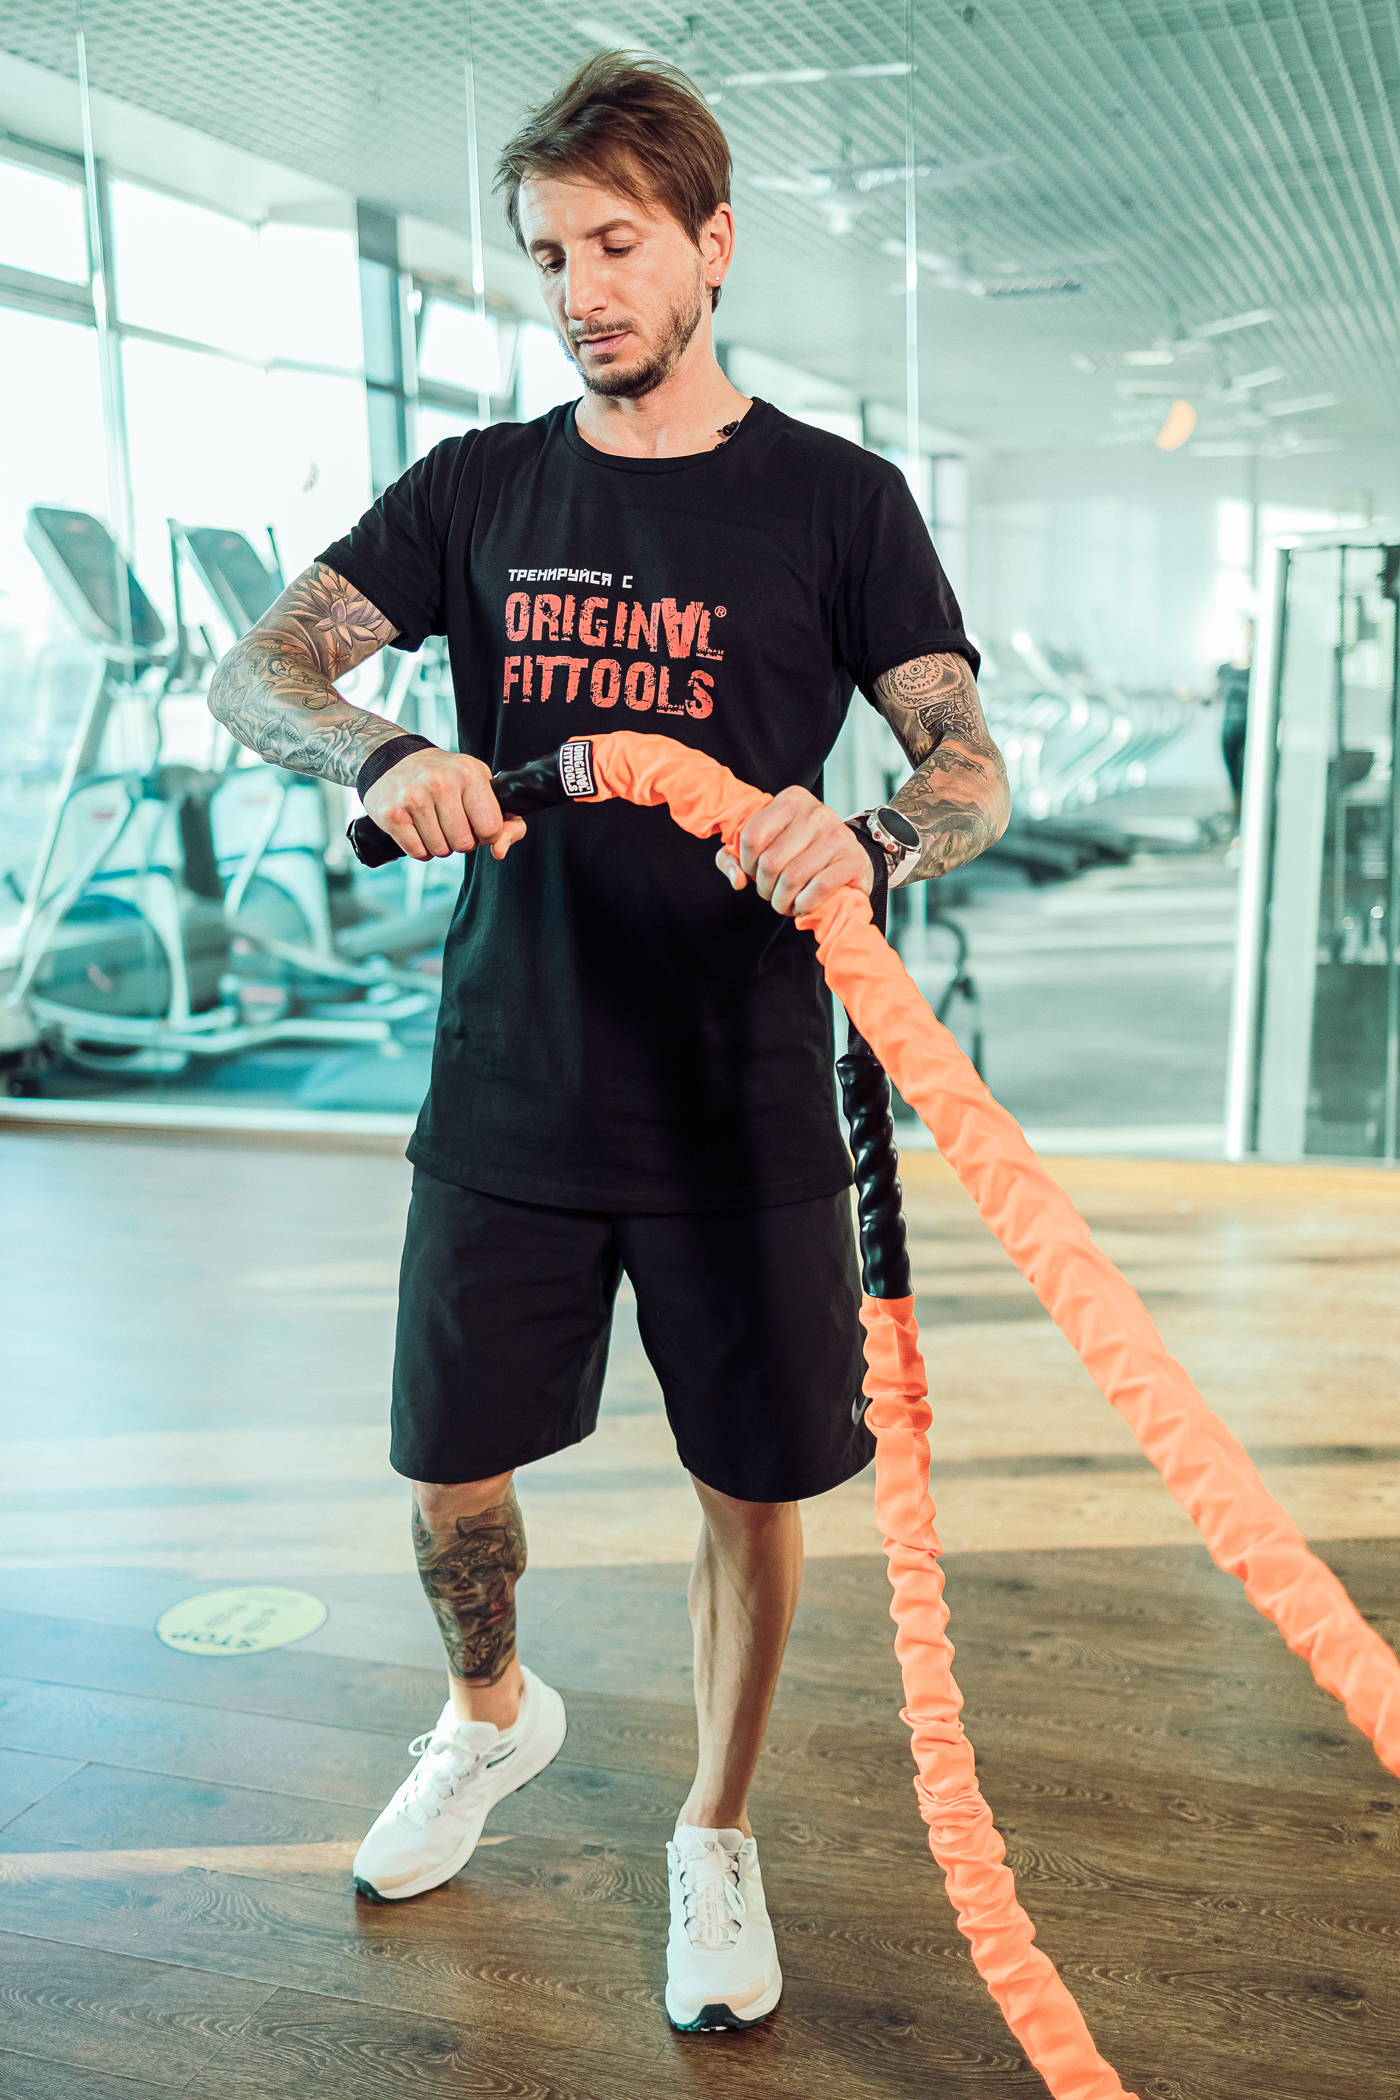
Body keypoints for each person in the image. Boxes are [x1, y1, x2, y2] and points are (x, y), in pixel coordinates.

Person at [208, 50, 1009, 2034]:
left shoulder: (839, 502)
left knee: (751, 1485)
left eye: (619, 244)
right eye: (552, 253)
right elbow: (259, 665)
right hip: (514, 1071)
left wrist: (875, 834)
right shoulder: (480, 487)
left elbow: (969, 768)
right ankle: (492, 1711)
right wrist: (382, 747)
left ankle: (712, 1827)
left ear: (712, 244)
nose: (581, 289)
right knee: (447, 1465)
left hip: (742, 1094)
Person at [1218, 618, 1254, 831]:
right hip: (1229, 729)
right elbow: (1212, 699)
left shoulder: (1260, 668)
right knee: (1233, 777)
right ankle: (1238, 824)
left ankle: (1244, 825)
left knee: (1244, 775)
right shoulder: (1224, 669)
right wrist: (1190, 695)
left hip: (1250, 729)